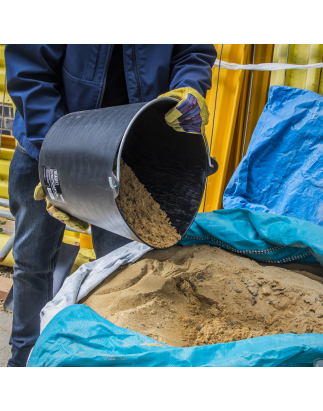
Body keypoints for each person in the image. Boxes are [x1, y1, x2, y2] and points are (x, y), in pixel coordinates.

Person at [5, 44, 217, 366]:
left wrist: (187, 85)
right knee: (32, 266)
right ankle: (25, 363)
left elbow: (192, 49)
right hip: (44, 141)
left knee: (120, 277)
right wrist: (61, 158)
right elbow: (30, 70)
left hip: (132, 152)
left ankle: (100, 368)